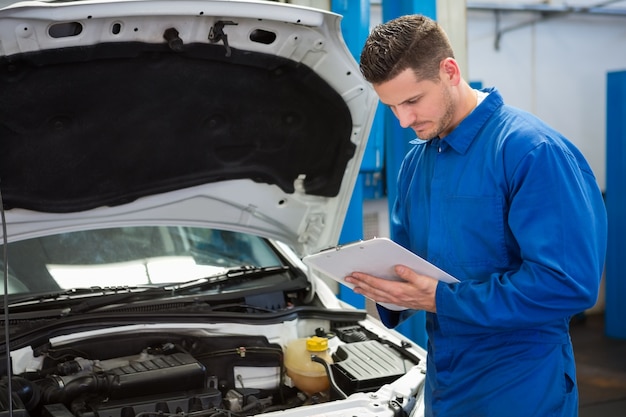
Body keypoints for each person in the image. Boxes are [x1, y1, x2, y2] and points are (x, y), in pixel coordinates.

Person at [344, 14, 607, 417]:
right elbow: (413, 265)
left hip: (521, 385)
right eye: (391, 106)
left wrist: (440, 298)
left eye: (412, 101)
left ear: (450, 71)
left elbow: (567, 284)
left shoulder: (532, 152)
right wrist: (385, 286)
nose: (403, 121)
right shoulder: (417, 162)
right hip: (446, 380)